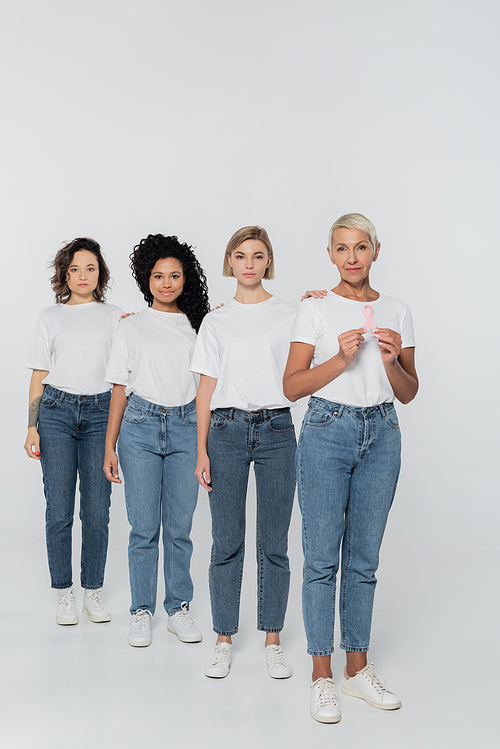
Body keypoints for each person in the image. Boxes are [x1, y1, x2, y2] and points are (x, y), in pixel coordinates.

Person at [283, 213, 418, 723]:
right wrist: (339, 361)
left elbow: (408, 392)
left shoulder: (399, 310)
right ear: (331, 255)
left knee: (364, 557)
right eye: (342, 248)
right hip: (326, 431)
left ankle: (357, 669)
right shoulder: (315, 308)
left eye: (361, 247)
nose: (352, 257)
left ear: (376, 252)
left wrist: (389, 361)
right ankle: (322, 675)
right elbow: (292, 387)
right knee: (321, 557)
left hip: (382, 433)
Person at [192, 226, 297, 680]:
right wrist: (201, 450)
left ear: (268, 261)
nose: (249, 263)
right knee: (226, 539)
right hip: (226, 431)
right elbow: (204, 390)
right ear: (230, 262)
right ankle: (223, 637)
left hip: (277, 430)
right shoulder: (216, 320)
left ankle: (273, 638)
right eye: (240, 255)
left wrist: (321, 301)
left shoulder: (293, 313)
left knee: (274, 542)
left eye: (258, 255)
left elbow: (314, 357)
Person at [103, 234, 210, 648]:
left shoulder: (201, 324)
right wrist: (109, 445)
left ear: (187, 279)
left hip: (187, 426)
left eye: (175, 276)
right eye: (158, 276)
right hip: (140, 427)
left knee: (179, 528)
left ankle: (178, 608)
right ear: (146, 278)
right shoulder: (129, 326)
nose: (167, 283)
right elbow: (119, 390)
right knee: (143, 527)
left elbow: (208, 386)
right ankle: (141, 611)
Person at [24, 238, 123, 626]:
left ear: (101, 273)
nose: (83, 276)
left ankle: (92, 592)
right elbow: (38, 376)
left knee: (97, 511)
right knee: (59, 510)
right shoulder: (50, 316)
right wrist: (31, 426)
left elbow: (123, 378)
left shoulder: (116, 316)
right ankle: (65, 593)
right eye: (75, 269)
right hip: (56, 413)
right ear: (65, 274)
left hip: (101, 414)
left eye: (91, 268)